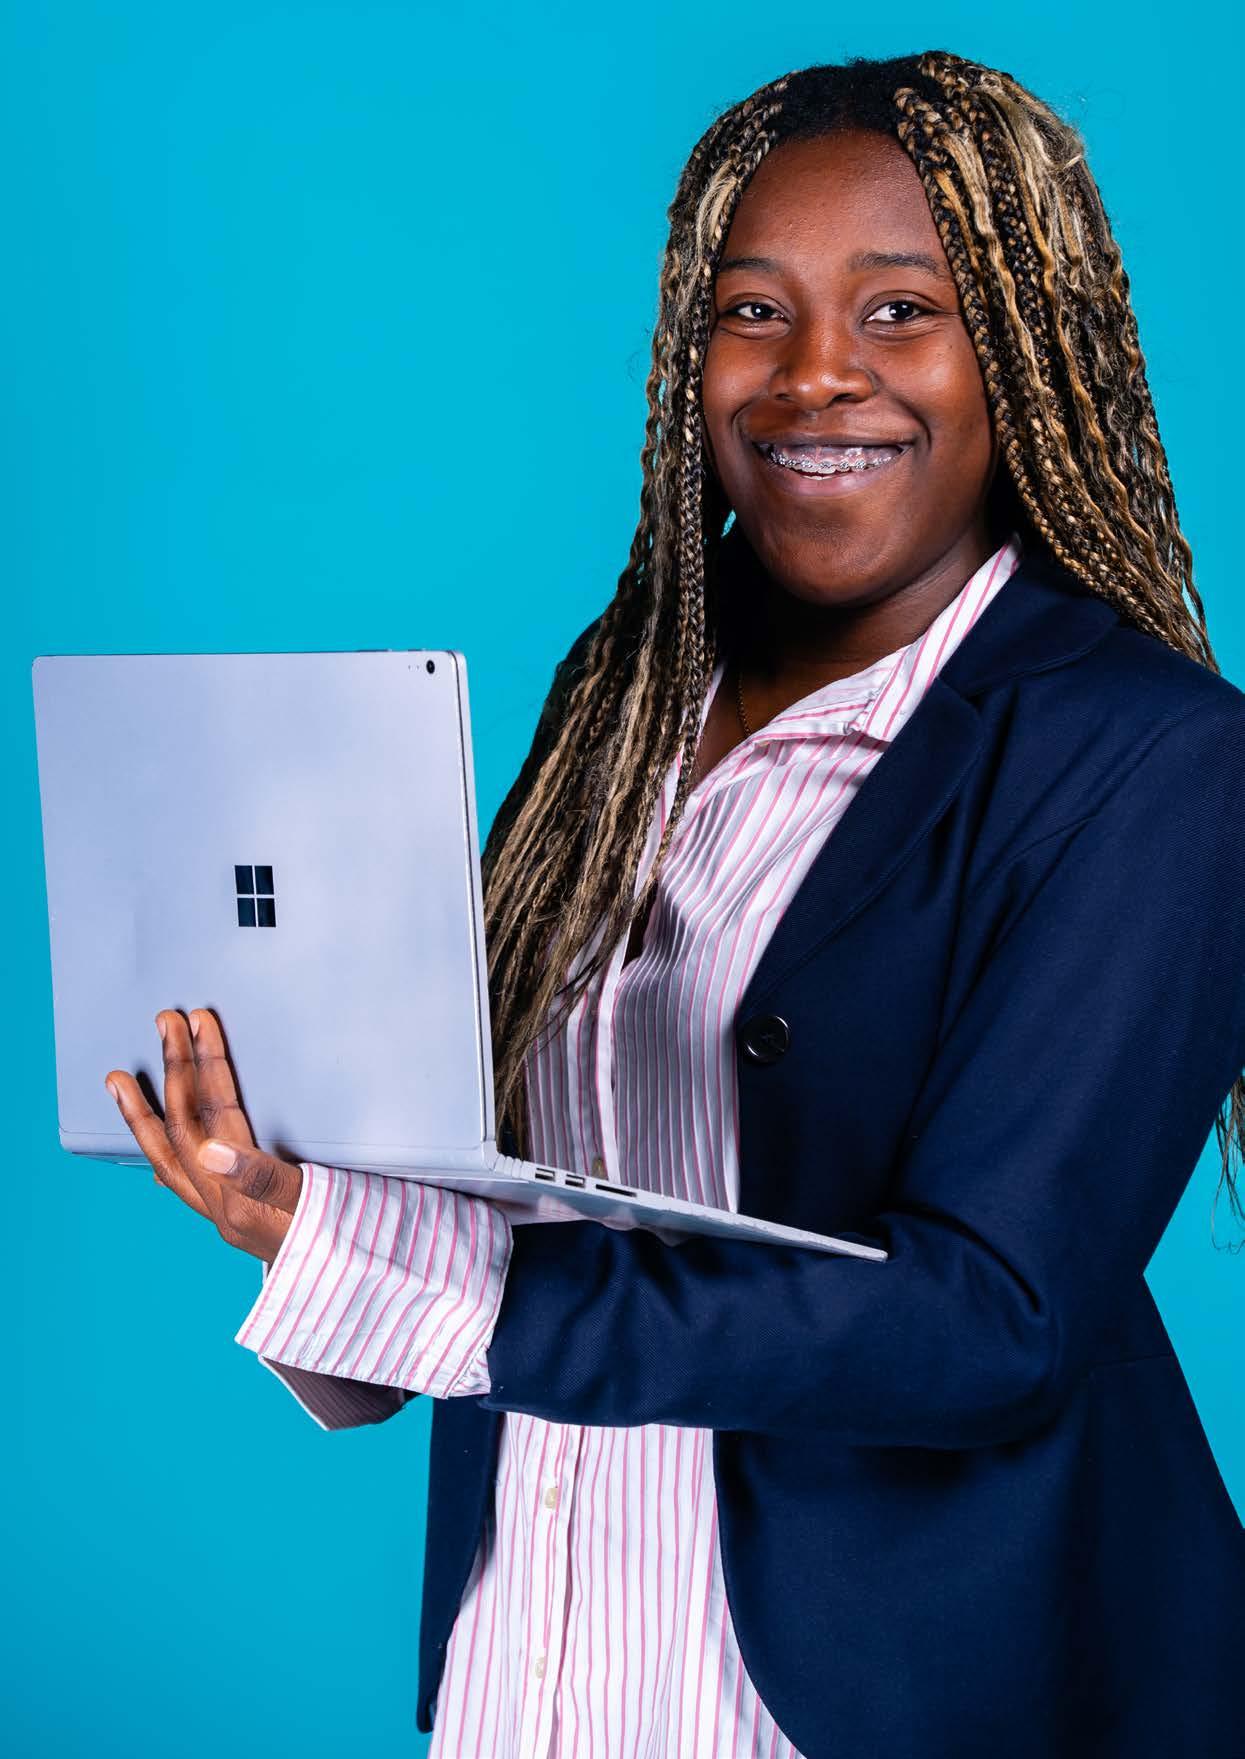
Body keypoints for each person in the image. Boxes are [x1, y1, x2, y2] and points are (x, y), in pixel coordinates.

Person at [105, 49, 1245, 1759]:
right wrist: (300, 1213)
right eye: (749, 313)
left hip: (868, 1699)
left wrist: (425, 1287)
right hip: (536, 1657)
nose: (813, 374)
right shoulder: (621, 708)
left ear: (1026, 350)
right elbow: (509, 1187)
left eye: (901, 311)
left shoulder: (1146, 756)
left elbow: (991, 1324)